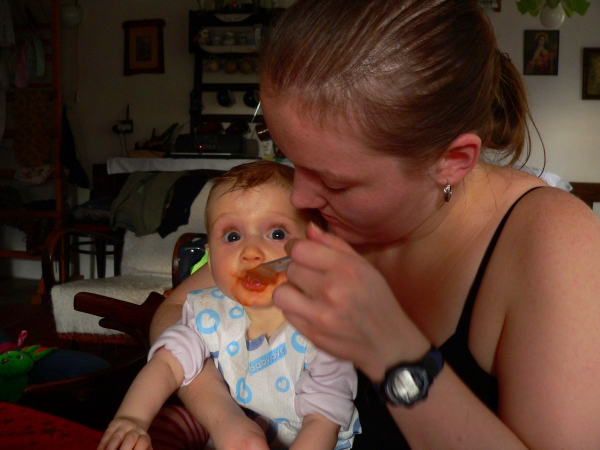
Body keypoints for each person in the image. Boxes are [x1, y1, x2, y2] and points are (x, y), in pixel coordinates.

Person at [149, 0, 600, 448]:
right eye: (290, 158)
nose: (300, 199)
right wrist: (225, 418)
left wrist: (391, 349)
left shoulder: (551, 243)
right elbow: (179, 309)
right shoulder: (318, 216)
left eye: (334, 181)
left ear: (452, 161)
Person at [99, 161, 360, 450]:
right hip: (231, 439)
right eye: (232, 236)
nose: (250, 252)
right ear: (210, 260)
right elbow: (167, 365)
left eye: (276, 234)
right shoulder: (208, 314)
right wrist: (132, 419)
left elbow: (321, 423)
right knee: (164, 424)